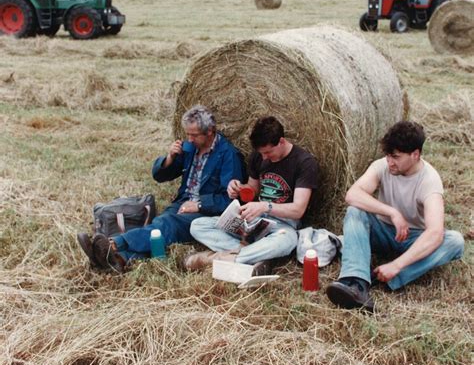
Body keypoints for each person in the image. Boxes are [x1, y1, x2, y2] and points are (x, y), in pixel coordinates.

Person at [77, 105, 244, 272]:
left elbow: (229, 200)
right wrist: (170, 158)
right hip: (183, 202)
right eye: (187, 134)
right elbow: (160, 176)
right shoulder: (191, 148)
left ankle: (114, 244)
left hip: (206, 212)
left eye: (194, 135)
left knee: (166, 224)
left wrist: (199, 205)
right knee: (160, 231)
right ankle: (120, 260)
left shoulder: (228, 155)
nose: (189, 139)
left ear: (210, 131)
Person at [326, 120, 464, 312]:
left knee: (455, 241)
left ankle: (386, 277)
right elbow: (352, 195)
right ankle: (356, 283)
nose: (390, 162)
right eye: (388, 156)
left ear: (415, 154)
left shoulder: (430, 181)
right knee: (355, 211)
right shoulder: (382, 165)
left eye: (396, 157)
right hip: (381, 231)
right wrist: (392, 212)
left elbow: (435, 232)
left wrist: (397, 265)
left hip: (413, 239)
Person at [185, 116, 320, 274]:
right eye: (261, 153)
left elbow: (298, 210)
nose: (264, 157)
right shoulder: (258, 156)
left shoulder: (304, 163)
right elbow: (252, 188)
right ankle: (256, 255)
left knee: (287, 241)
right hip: (255, 221)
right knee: (198, 226)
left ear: (281, 141)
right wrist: (238, 188)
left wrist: (265, 206)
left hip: (283, 225)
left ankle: (219, 259)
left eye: (268, 152)